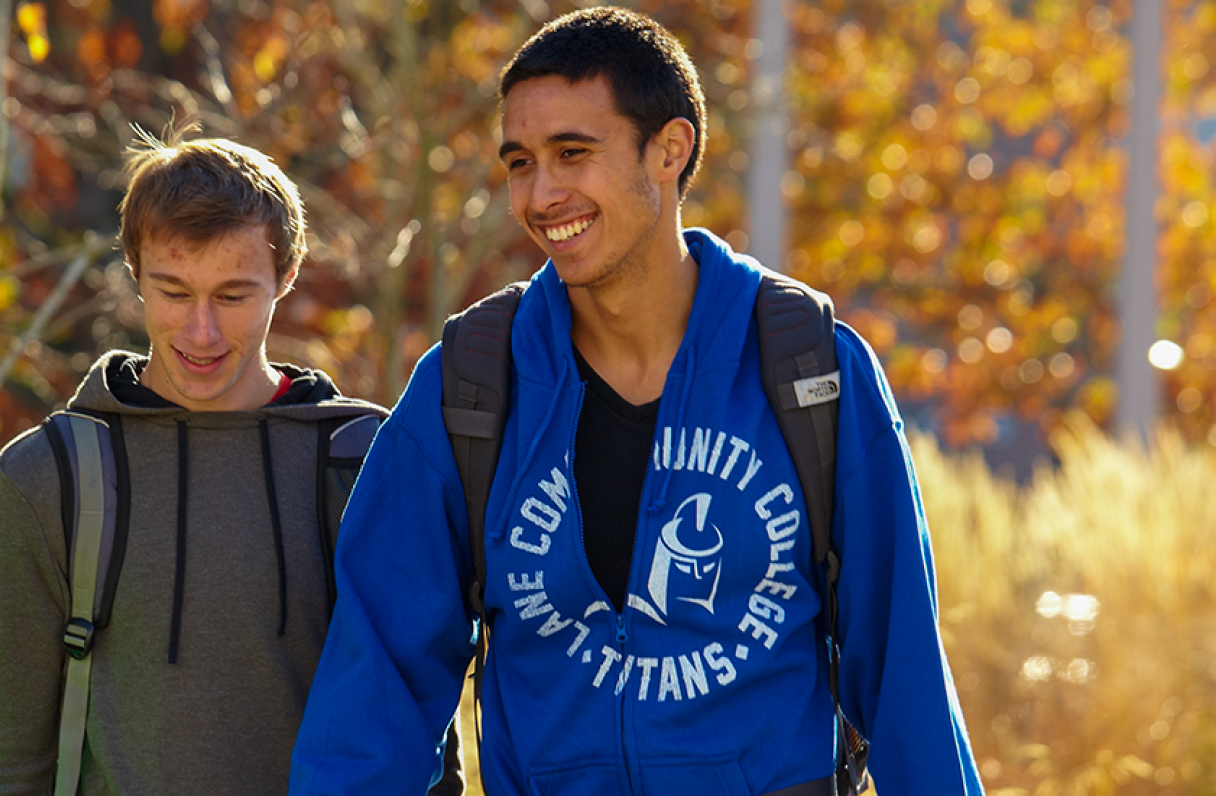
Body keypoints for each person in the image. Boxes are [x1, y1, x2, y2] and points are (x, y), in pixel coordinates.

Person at [291, 8, 982, 795]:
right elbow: (374, 690)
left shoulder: (811, 369)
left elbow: (905, 679)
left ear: (670, 149)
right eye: (520, 162)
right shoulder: (471, 385)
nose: (542, 193)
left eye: (573, 154)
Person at [0, 130, 456, 795]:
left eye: (232, 296)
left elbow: (426, 743)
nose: (200, 332)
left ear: (287, 276)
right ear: (133, 270)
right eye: (172, 291)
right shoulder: (50, 477)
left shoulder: (368, 461)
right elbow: (5, 757)